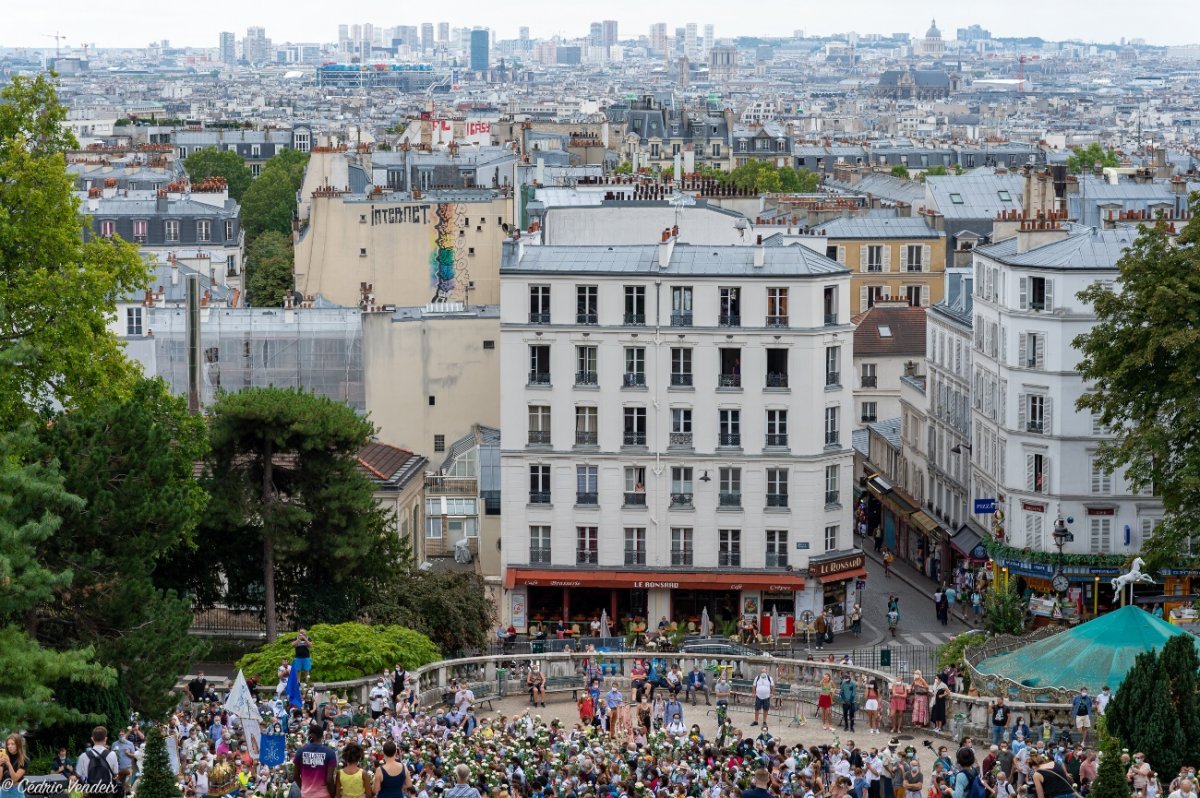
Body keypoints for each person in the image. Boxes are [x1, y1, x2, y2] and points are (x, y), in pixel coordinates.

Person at [294, 724, 337, 798]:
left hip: (306, 794)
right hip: (324, 795)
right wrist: (333, 795)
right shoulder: (330, 753)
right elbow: (329, 780)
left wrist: (304, 789)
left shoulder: (300, 751)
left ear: (310, 735)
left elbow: (296, 776)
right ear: (322, 736)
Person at [76, 726, 120, 794]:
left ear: (92, 738)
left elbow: (78, 775)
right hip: (107, 791)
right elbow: (116, 773)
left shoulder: (83, 756)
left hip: (90, 791)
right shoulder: (112, 754)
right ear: (106, 739)